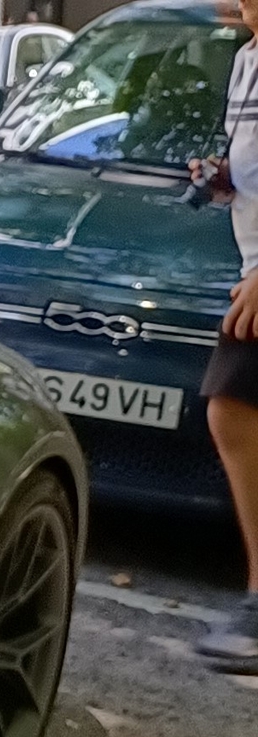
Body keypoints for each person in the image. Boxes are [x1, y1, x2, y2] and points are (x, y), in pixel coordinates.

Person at [190, 9, 258, 673]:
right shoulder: (245, 61)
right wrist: (220, 179)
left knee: (230, 405)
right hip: (251, 268)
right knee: (235, 411)